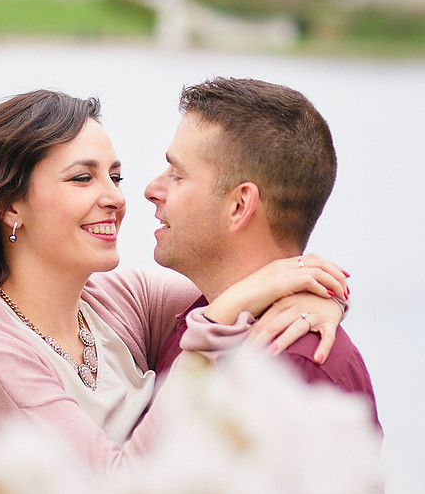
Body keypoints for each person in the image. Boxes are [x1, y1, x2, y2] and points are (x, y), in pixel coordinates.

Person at [0, 90, 351, 469]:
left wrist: (320, 296)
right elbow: (116, 493)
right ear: (11, 206)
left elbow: (244, 283)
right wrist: (219, 320)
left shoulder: (123, 302)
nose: (116, 198)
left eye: (115, 177)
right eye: (83, 178)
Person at [146, 77, 380, 432]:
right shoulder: (196, 321)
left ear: (239, 205)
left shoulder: (298, 369)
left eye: (177, 175)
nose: (152, 189)